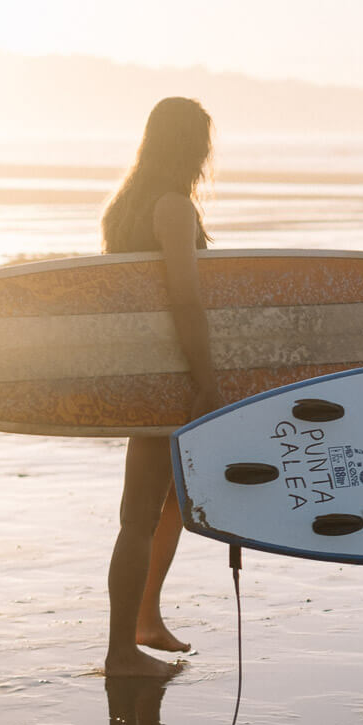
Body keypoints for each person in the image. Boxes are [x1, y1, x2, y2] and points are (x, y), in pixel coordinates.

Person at [101, 97, 223, 677]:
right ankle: (121, 651)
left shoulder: (125, 205)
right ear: (192, 146)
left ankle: (145, 619)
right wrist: (206, 378)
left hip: (143, 372)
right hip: (169, 378)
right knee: (139, 516)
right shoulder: (171, 207)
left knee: (171, 499)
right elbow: (184, 298)